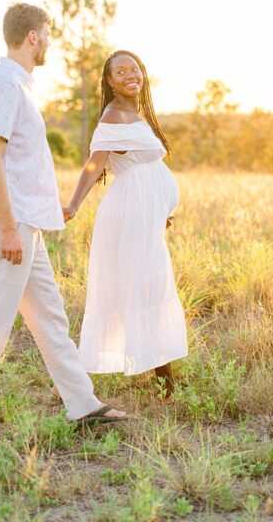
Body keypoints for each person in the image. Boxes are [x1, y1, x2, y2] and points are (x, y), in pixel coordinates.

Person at [0, 3, 127, 442]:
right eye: (47, 33)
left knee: (50, 318)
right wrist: (9, 228)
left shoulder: (19, 86)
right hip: (12, 227)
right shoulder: (6, 86)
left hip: (27, 226)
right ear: (33, 37)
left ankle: (82, 405)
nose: (49, 41)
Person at [62, 50, 187, 398]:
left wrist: (162, 207)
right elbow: (95, 162)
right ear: (110, 81)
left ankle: (159, 375)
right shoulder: (114, 115)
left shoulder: (136, 114)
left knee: (145, 285)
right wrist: (73, 204)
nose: (130, 75)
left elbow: (148, 170)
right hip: (129, 213)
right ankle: (162, 380)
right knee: (141, 286)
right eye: (121, 71)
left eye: (134, 69)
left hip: (144, 215)